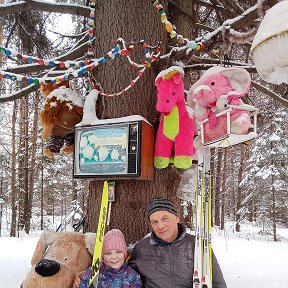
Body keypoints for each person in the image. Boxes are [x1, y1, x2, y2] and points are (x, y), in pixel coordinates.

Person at [128, 196, 227, 288]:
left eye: (165, 219)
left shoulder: (196, 245)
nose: (160, 226)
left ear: (177, 218)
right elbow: (128, 280)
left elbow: (217, 283)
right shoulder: (141, 248)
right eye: (154, 222)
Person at [72, 229, 142, 288]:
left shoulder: (133, 277)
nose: (114, 257)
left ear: (124, 254)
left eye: (118, 252)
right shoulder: (91, 273)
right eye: (108, 253)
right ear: (103, 256)